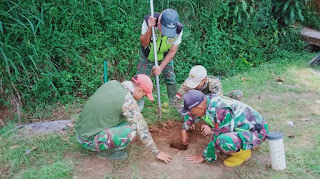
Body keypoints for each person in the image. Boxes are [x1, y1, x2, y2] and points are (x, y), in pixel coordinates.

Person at [74, 74, 171, 163]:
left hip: (81, 132)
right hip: (88, 140)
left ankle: (101, 141)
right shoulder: (127, 101)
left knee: (126, 121)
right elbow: (141, 128)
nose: (142, 98)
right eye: (144, 95)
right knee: (132, 130)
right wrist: (157, 152)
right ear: (139, 90)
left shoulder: (113, 83)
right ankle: (106, 152)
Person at [180, 90, 269, 167]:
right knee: (220, 136)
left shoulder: (221, 111)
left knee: (222, 140)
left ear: (200, 107)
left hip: (257, 132)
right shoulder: (207, 101)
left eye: (192, 110)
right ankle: (241, 143)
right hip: (245, 127)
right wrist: (184, 130)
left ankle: (244, 155)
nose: (191, 113)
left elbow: (217, 136)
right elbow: (191, 114)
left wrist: (204, 156)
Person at [137, 8, 183, 108]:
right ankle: (138, 105)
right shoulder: (149, 21)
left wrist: (161, 67)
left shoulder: (178, 29)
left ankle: (173, 103)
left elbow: (172, 51)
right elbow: (143, 43)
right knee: (140, 79)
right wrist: (150, 29)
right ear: (159, 23)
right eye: (164, 29)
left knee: (171, 77)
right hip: (148, 54)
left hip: (165, 55)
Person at [174, 65, 243, 112]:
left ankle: (230, 113)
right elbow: (177, 101)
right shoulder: (187, 84)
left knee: (237, 94)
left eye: (196, 83)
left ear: (204, 80)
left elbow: (217, 102)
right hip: (196, 106)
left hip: (210, 104)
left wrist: (209, 118)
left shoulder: (213, 83)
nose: (193, 86)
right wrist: (187, 115)